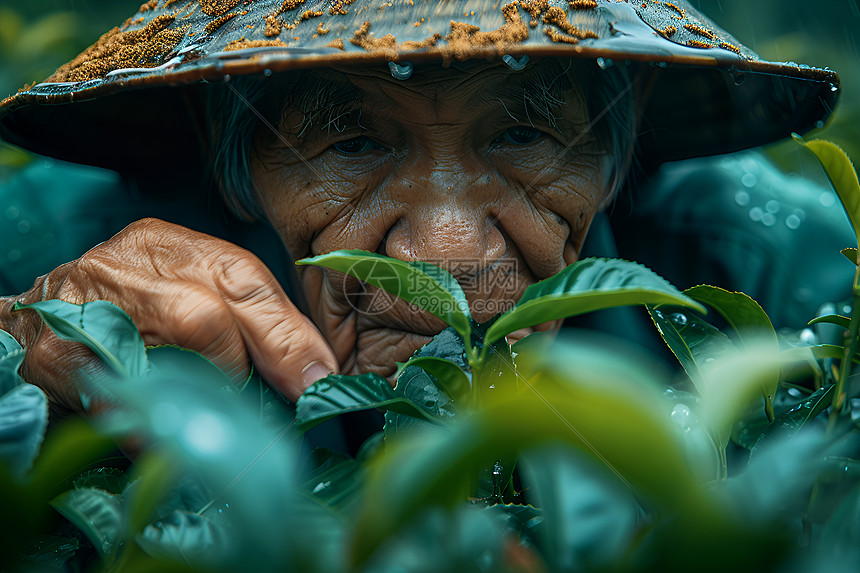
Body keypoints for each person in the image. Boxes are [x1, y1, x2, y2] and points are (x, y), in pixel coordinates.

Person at [0, 0, 850, 423]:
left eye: (523, 133)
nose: (445, 250)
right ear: (231, 157)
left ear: (616, 147)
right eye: (351, 146)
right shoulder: (55, 247)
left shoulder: (772, 267)